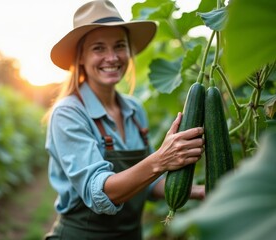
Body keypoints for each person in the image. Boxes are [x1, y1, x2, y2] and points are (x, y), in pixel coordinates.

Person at [44, 1, 205, 239]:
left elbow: (147, 183)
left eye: (119, 46)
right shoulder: (68, 113)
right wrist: (161, 159)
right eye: (98, 48)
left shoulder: (134, 109)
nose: (112, 57)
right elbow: (100, 193)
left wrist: (202, 191)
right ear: (80, 57)